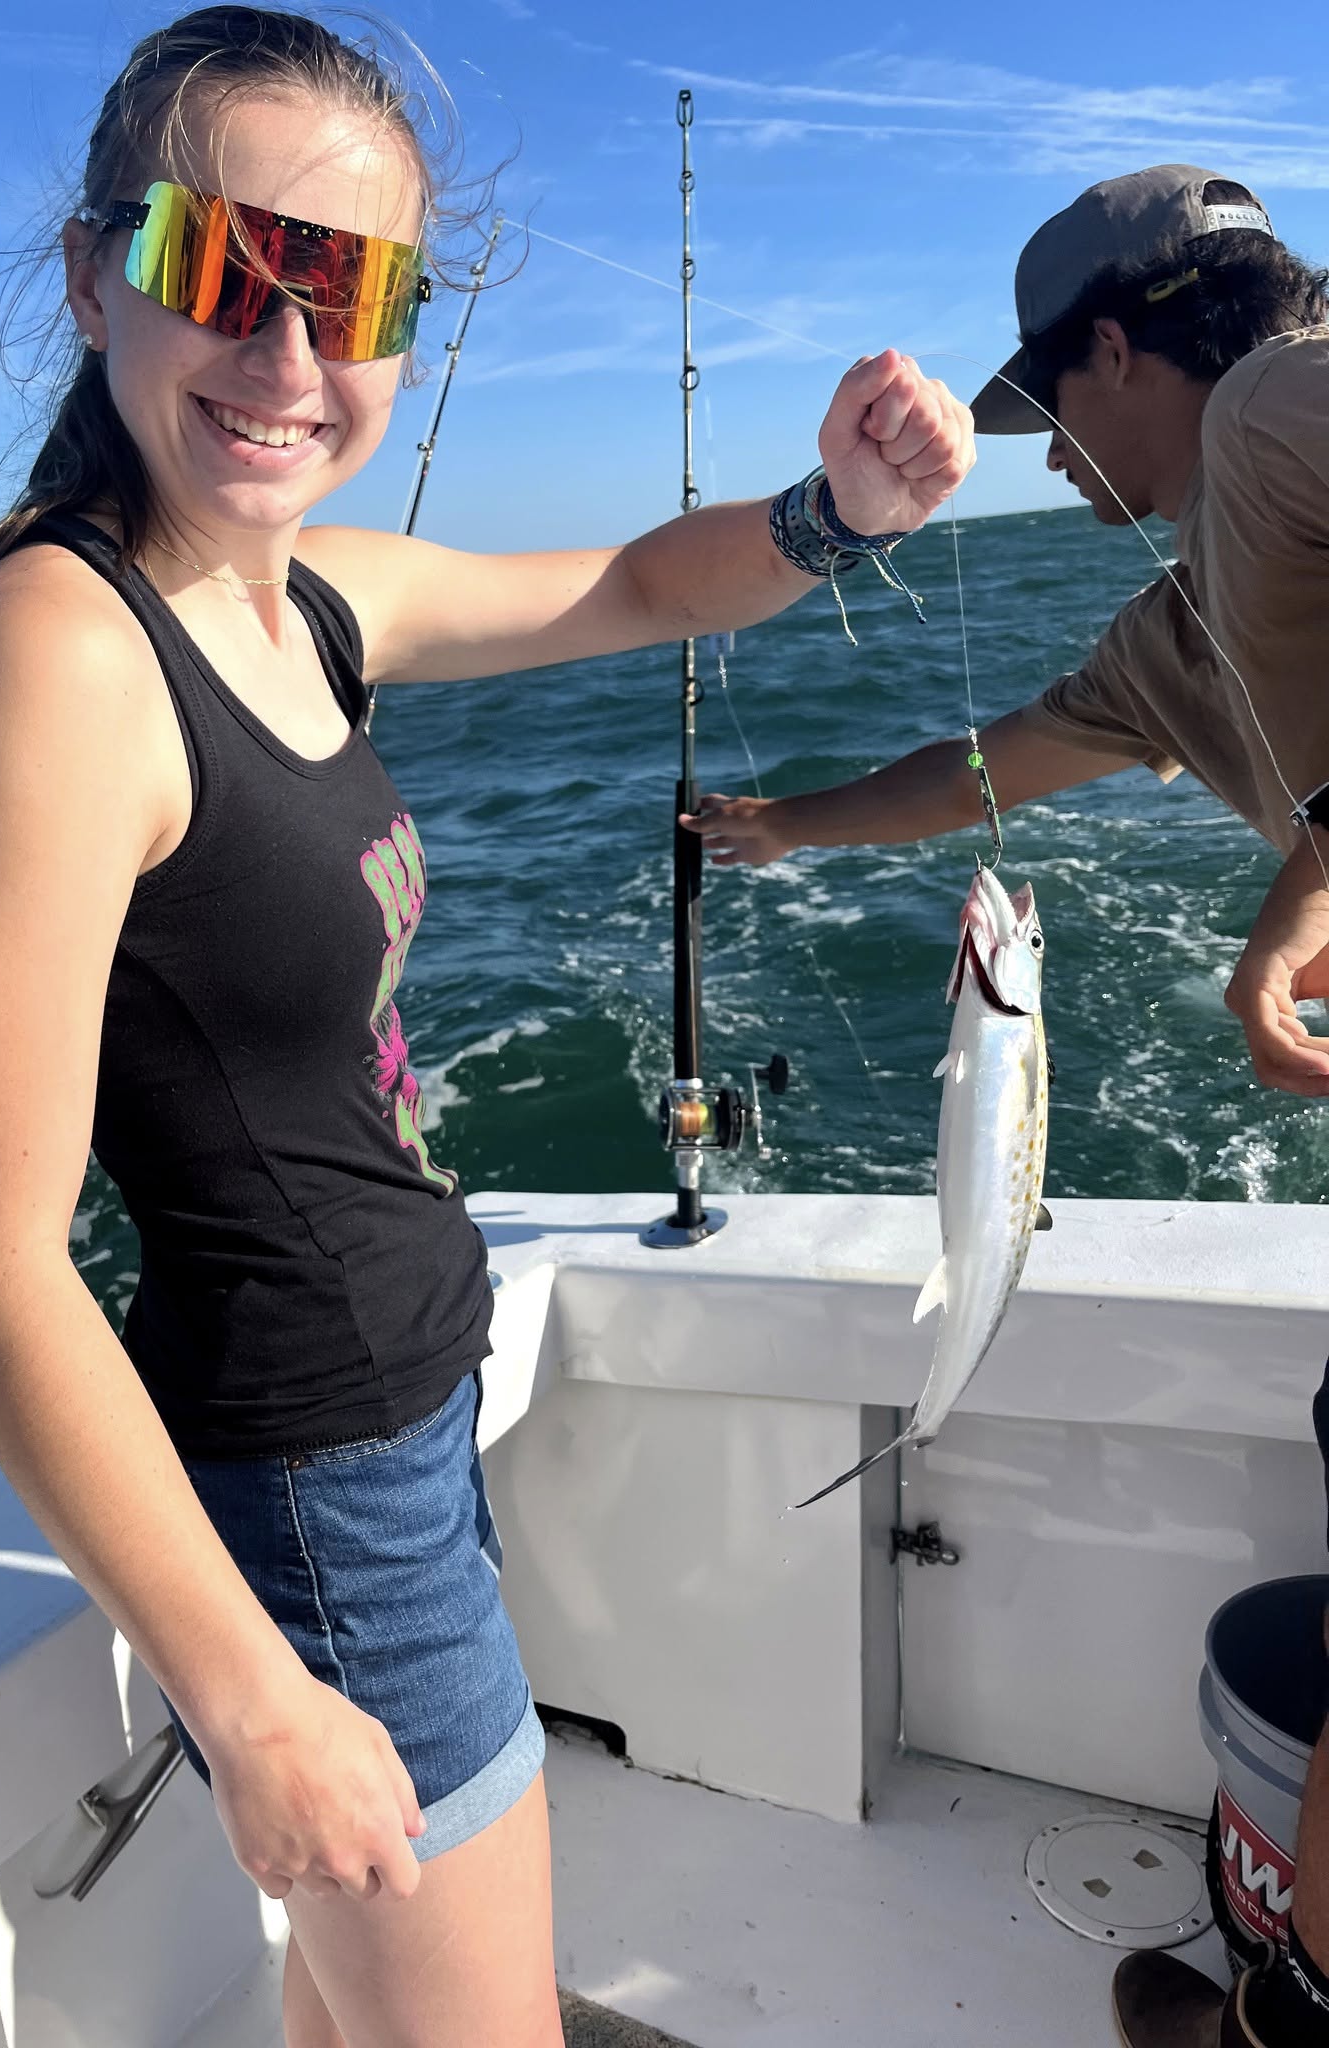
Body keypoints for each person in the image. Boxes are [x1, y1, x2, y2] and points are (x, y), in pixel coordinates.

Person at [0, 9, 974, 2045]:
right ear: (94, 275)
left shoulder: (298, 594)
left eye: (355, 288)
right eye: (227, 265)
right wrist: (253, 1696)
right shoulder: (56, 652)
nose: (290, 349)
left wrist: (834, 510)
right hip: (318, 1494)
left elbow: (634, 585)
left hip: (390, 1427)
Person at [682, 164, 1329, 2047]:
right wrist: (784, 826)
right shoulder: (1188, 634)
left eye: (1048, 408)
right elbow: (984, 768)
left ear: (1120, 349)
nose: (1046, 457)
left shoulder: (1276, 405)